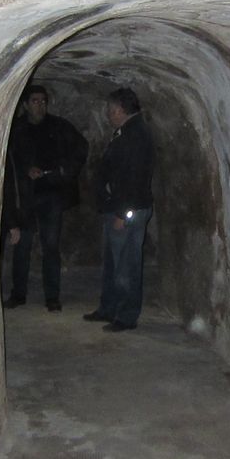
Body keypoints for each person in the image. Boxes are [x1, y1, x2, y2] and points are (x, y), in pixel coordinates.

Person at [4, 84, 88, 312]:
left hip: (51, 195)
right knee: (22, 246)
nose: (39, 105)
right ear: (25, 105)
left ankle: (52, 296)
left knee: (51, 246)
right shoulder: (15, 130)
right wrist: (24, 171)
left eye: (43, 101)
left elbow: (81, 148)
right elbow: (7, 160)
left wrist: (62, 171)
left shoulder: (59, 126)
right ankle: (18, 294)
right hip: (25, 197)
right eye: (34, 101)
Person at [83, 87, 155, 332]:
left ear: (121, 110)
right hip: (118, 208)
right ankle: (109, 308)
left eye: (110, 110)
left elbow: (133, 180)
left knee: (127, 266)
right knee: (115, 263)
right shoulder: (127, 132)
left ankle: (125, 315)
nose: (108, 114)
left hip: (126, 211)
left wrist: (124, 214)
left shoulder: (135, 135)